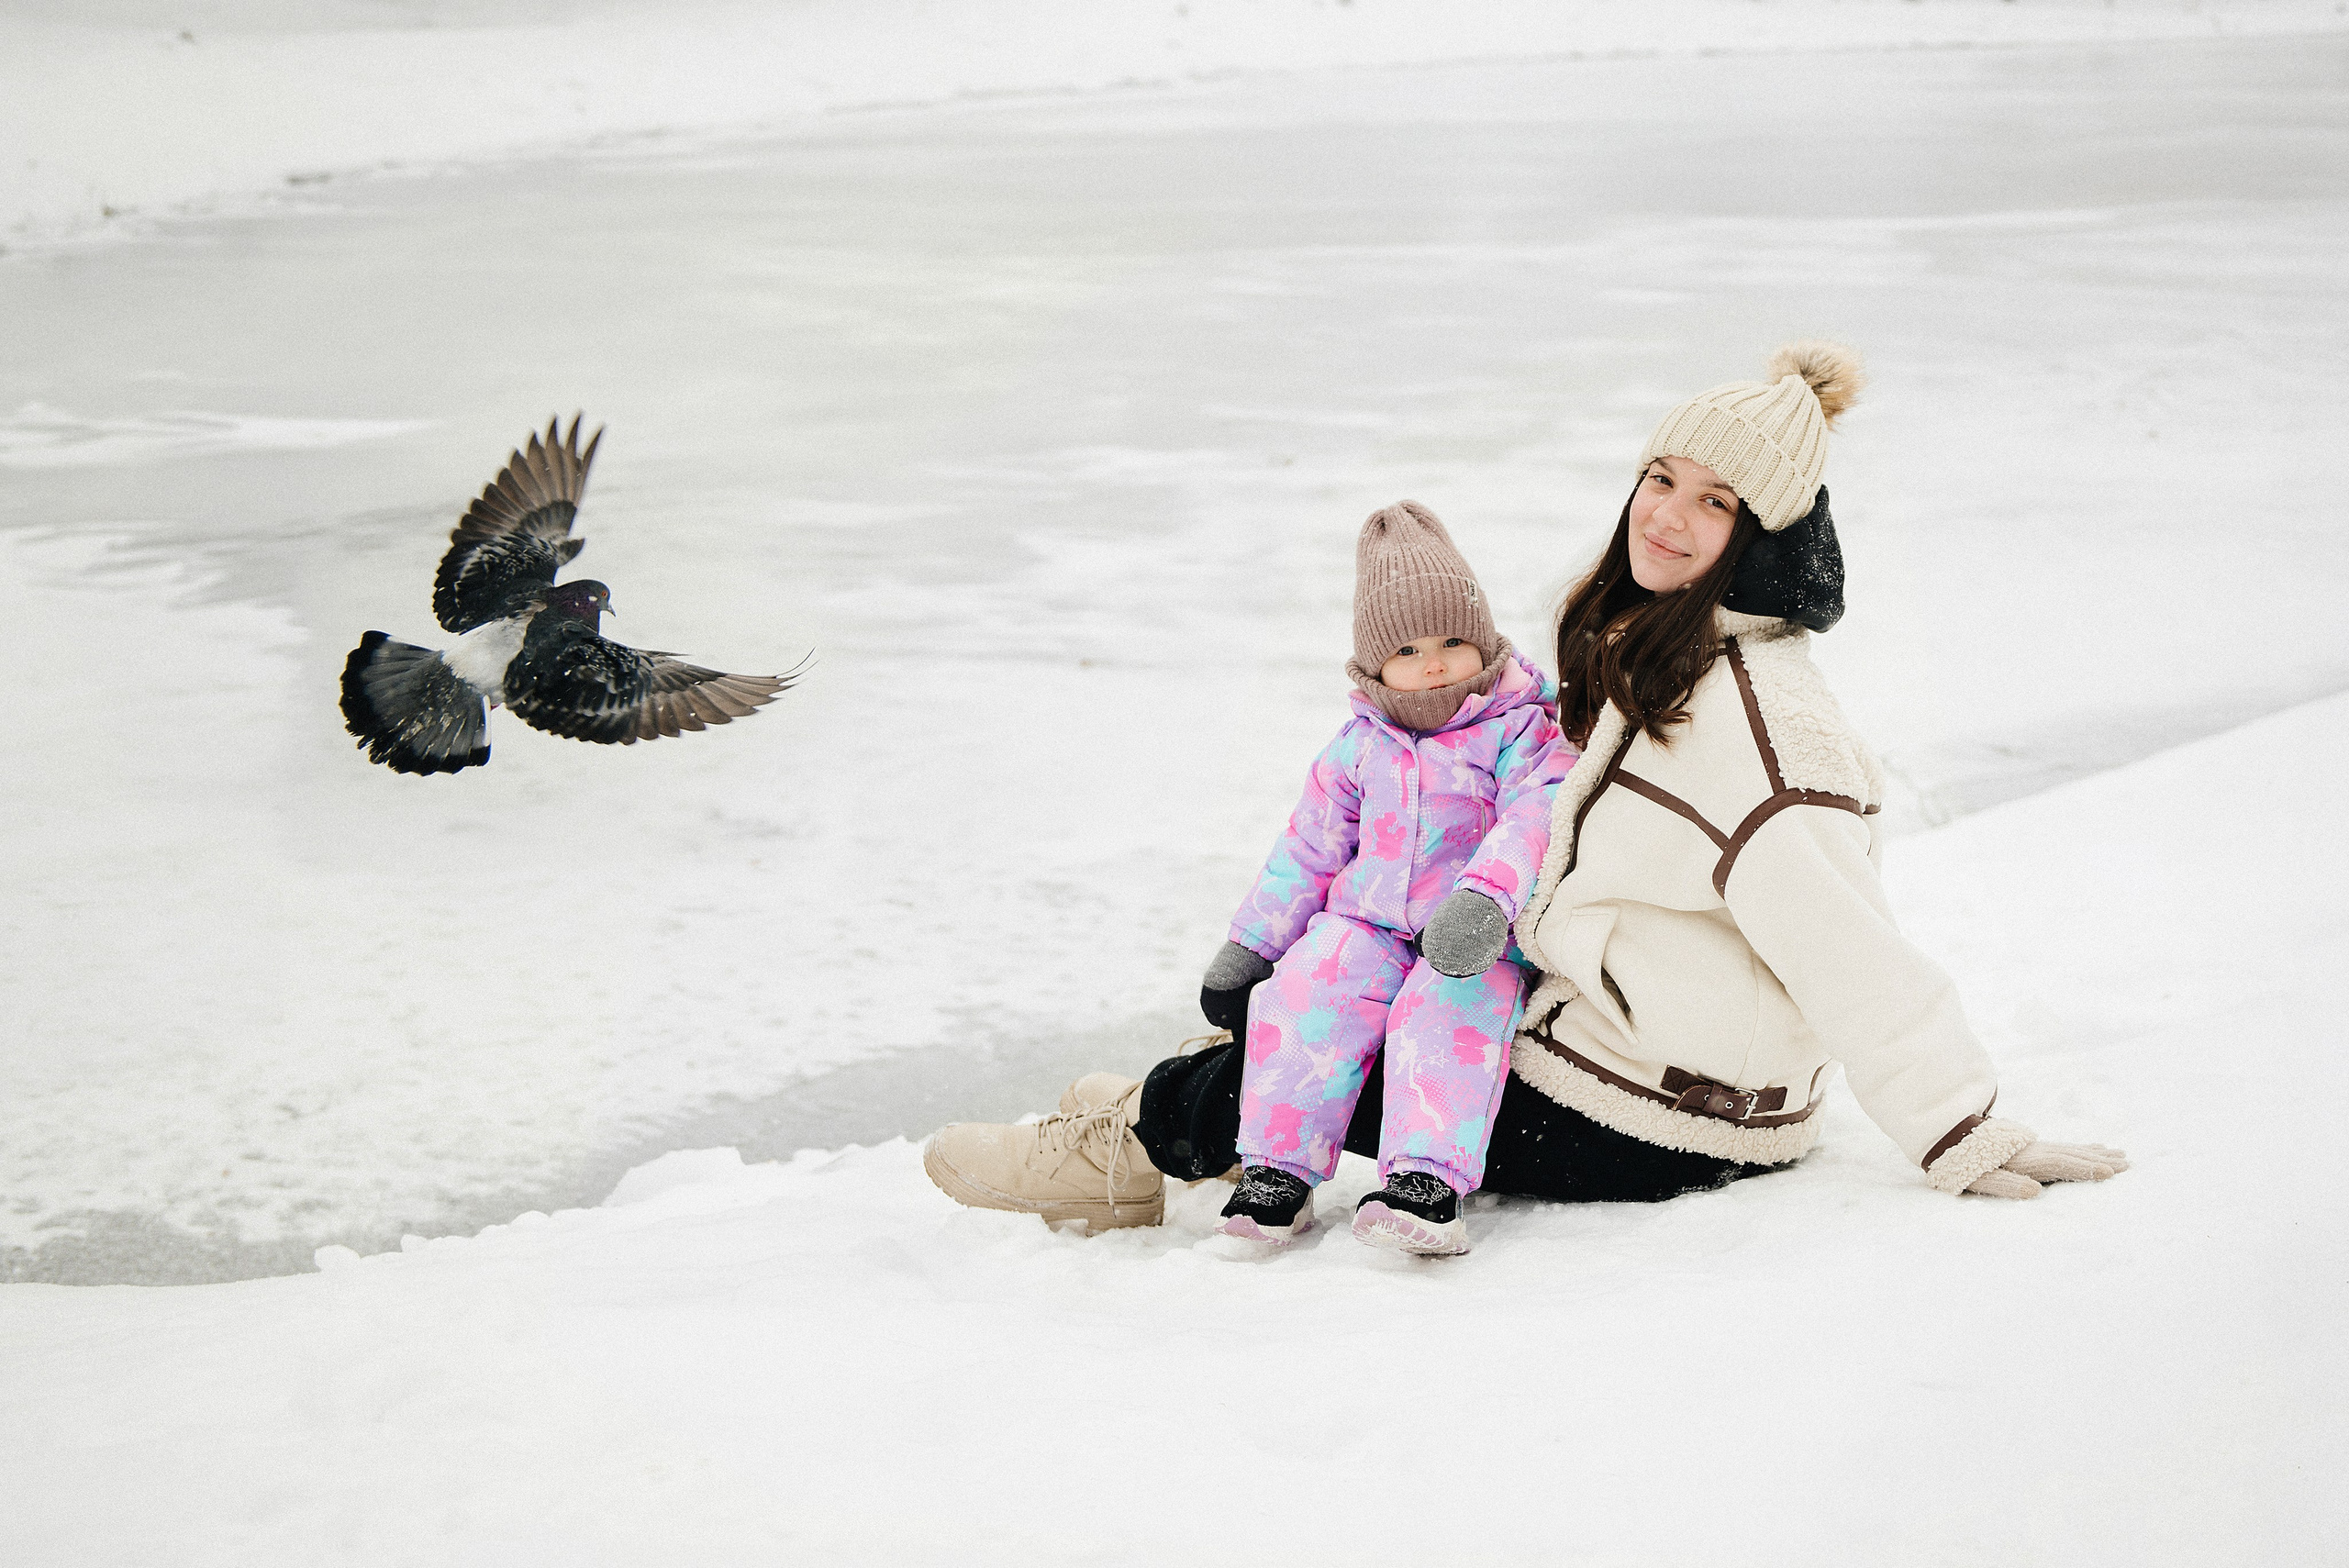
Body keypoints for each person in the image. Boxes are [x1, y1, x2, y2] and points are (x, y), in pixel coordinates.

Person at [921, 340, 2125, 1242]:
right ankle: (1163, 1098)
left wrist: (1963, 1128)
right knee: (1328, 994)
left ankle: (1122, 1150)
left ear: (1760, 535)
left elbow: (1848, 942)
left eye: (1716, 501)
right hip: (1623, 1027)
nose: (1670, 514)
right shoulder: (1659, 646)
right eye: (1664, 477)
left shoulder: (1761, 726)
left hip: (1663, 1104)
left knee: (1340, 1067)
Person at [1195, 502, 1571, 1255]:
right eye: (1407, 647)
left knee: (1448, 1014)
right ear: (1374, 664)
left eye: (1453, 640)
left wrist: (1484, 898)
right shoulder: (1357, 747)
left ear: (1485, 639)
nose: (1433, 662)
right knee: (1307, 993)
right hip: (1363, 922)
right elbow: (1307, 851)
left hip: (1469, 930)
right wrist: (1254, 944)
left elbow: (1534, 818)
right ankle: (1277, 1170)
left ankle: (1425, 1182)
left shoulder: (1521, 728)